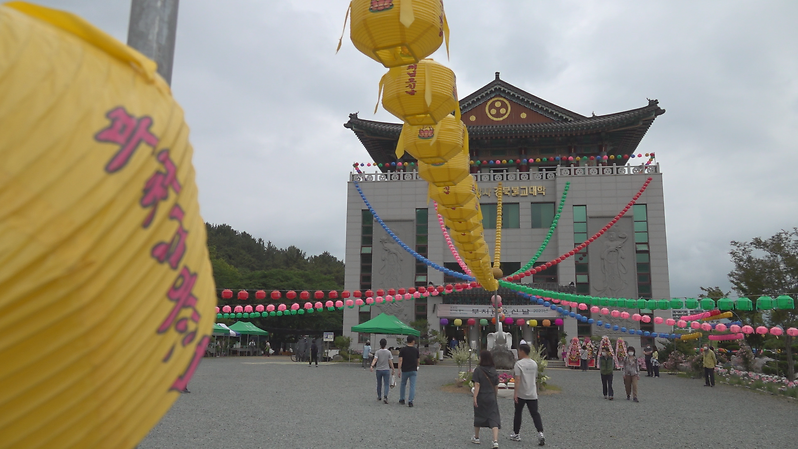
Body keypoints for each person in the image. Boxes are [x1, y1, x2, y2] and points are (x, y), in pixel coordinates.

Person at [509, 344, 545, 446]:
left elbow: (517, 379)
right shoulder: (534, 364)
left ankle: (516, 433)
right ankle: (540, 432)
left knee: (518, 413)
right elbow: (535, 378)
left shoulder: (519, 364)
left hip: (521, 393)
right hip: (532, 393)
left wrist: (515, 393)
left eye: (519, 351)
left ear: (522, 351)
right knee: (535, 413)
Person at [472, 350, 501, 448]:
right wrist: (495, 395)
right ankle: (495, 441)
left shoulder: (478, 370)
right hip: (491, 396)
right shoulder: (493, 370)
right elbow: (496, 385)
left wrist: (475, 397)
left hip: (481, 396)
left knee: (479, 415)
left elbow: (477, 384)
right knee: (494, 417)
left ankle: (476, 437)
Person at [370, 338, 395, 403]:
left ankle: (379, 396)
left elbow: (375, 359)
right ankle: (385, 396)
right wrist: (393, 368)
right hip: (386, 369)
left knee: (379, 383)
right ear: (386, 344)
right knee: (386, 384)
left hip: (379, 369)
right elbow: (390, 361)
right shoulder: (388, 352)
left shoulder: (377, 352)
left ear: (380, 344)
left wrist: (372, 365)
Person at [398, 335, 420, 407]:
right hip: (413, 370)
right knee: (412, 385)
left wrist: (399, 370)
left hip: (405, 369)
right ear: (413, 341)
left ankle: (402, 399)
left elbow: (400, 360)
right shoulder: (416, 350)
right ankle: (410, 401)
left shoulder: (403, 350)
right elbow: (418, 360)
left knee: (403, 384)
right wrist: (417, 366)